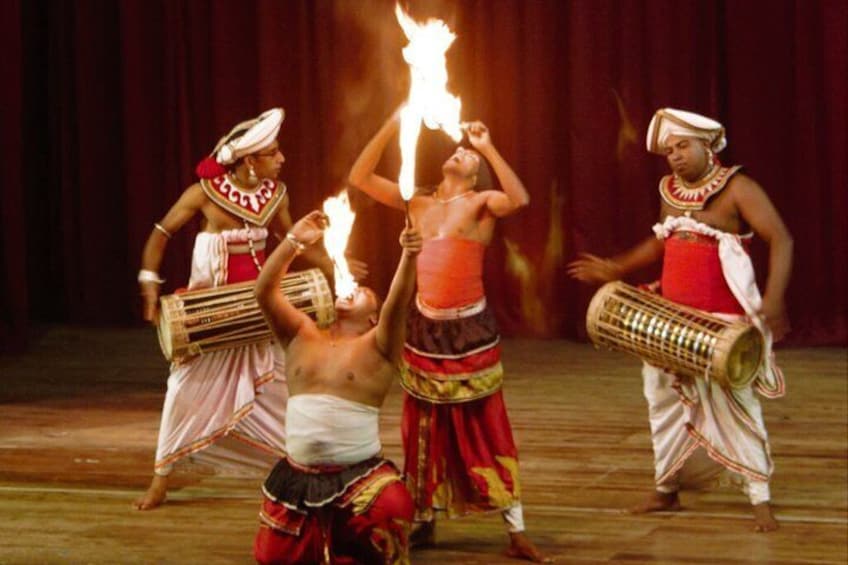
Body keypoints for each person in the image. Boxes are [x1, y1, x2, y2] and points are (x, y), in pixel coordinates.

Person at [568, 107, 793, 532]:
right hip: (669, 319)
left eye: (683, 146)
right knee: (662, 400)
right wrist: (616, 268)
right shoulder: (670, 191)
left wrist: (774, 298)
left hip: (722, 323)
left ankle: (759, 495)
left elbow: (781, 237)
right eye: (669, 150)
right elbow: (662, 243)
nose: (675, 156)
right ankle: (666, 487)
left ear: (707, 147)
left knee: (737, 405)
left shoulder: (738, 188)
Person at [348, 110, 548, 562]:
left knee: (487, 425)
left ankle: (515, 530)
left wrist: (486, 146)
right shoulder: (417, 202)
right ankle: (425, 520)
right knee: (421, 428)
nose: (459, 151)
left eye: (466, 155)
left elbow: (519, 198)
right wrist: (391, 123)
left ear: (474, 172)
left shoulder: (480, 204)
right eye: (458, 149)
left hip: (468, 330)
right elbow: (359, 176)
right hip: (424, 328)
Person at [134, 108, 335, 510]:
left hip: (260, 311)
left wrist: (335, 266)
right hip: (214, 314)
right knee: (183, 391)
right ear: (249, 161)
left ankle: (308, 463)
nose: (282, 159)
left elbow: (293, 240)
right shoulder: (203, 194)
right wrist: (149, 286)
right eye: (273, 153)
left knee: (281, 388)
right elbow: (161, 234)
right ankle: (161, 479)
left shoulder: (276, 196)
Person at [252, 210, 421, 564]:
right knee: (271, 557)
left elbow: (398, 301)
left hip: (359, 477)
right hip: (297, 476)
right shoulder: (300, 334)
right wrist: (293, 241)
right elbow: (264, 291)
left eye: (364, 292)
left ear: (373, 317)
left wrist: (409, 254)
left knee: (393, 505)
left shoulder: (379, 344)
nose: (353, 287)